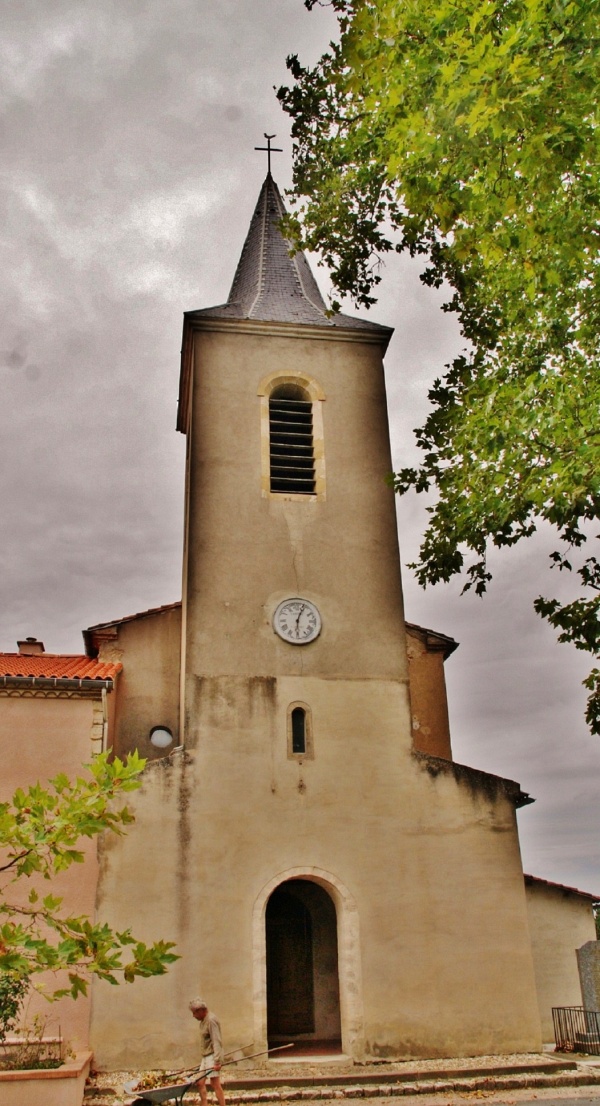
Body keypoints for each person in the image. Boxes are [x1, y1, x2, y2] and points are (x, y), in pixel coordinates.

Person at [189, 998, 226, 1106]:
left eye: (194, 1013)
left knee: (215, 1083)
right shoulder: (203, 1021)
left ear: (201, 1010)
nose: (193, 1016)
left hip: (212, 1055)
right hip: (206, 1056)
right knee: (200, 1082)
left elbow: (216, 1041)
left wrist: (217, 1061)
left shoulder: (211, 1020)